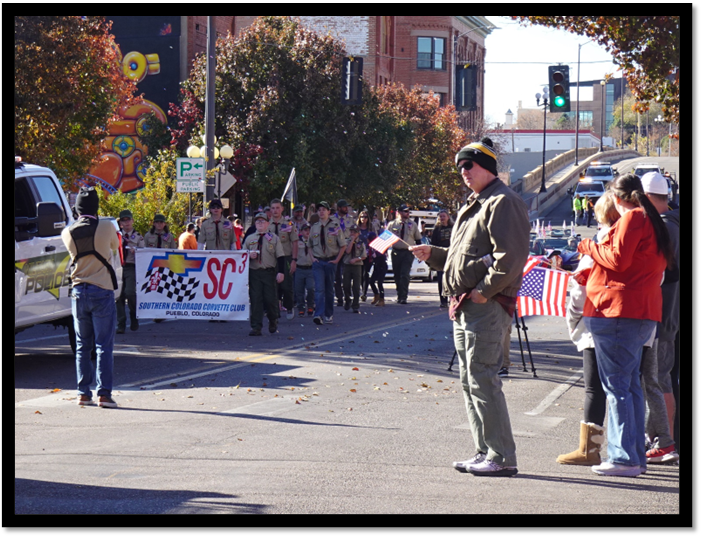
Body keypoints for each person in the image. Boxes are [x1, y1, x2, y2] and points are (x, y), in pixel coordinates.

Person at [411, 137, 530, 477]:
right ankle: (485, 450)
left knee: (482, 379)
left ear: (487, 167)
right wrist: (433, 255)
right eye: (460, 166)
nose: (463, 171)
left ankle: (501, 456)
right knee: (470, 381)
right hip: (466, 305)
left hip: (484, 306)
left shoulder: (503, 202)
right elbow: (464, 259)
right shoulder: (477, 203)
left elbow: (511, 258)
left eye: (469, 164)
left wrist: (483, 291)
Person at [577, 173, 673, 477]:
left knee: (618, 387)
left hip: (618, 311)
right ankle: (633, 456)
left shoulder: (633, 219)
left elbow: (617, 260)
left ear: (618, 199)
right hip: (641, 312)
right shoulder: (655, 222)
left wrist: (588, 246)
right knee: (630, 387)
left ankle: (623, 458)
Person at [558, 191, 620, 466]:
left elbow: (578, 289)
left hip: (598, 322)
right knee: (628, 389)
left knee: (595, 389)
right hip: (639, 322)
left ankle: (589, 449)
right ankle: (628, 447)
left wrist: (573, 322)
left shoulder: (599, 245)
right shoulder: (643, 240)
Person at [61, 187, 120, 408]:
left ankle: (83, 393)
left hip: (78, 291)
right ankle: (104, 394)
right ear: (96, 207)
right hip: (101, 290)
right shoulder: (106, 226)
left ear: (77, 209)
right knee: (104, 344)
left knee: (82, 345)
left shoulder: (67, 232)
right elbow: (115, 246)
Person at [641, 172, 680, 464]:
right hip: (669, 312)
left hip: (663, 313)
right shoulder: (674, 224)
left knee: (659, 379)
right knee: (661, 378)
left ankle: (664, 442)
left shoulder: (665, 229)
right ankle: (659, 438)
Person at [243, 212, 285, 336]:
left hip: (269, 272)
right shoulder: (250, 238)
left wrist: (281, 272)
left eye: (262, 221)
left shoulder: (274, 238)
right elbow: (241, 255)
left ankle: (273, 319)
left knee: (270, 299)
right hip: (254, 272)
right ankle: (256, 327)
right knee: (256, 300)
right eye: (257, 222)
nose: (260, 224)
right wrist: (248, 255)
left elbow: (281, 256)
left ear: (268, 223)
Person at [309, 201, 346, 325]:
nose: (321, 212)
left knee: (329, 290)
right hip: (318, 261)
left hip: (330, 261)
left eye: (324, 209)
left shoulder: (335, 226)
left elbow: (343, 246)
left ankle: (328, 314)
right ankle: (318, 314)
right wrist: (312, 258)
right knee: (319, 289)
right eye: (319, 210)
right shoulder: (314, 227)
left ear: (329, 212)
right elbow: (309, 245)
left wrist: (336, 260)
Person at [269, 198, 299, 320]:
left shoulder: (288, 224)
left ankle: (289, 306)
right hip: (271, 258)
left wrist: (294, 260)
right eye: (273, 208)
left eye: (277, 208)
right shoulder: (267, 224)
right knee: (273, 285)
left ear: (282, 209)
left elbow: (295, 242)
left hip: (286, 257)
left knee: (286, 286)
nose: (275, 210)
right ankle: (275, 310)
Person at [387, 204, 422, 304]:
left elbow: (418, 239)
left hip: (408, 252)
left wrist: (419, 252)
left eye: (408, 211)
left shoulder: (413, 224)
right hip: (396, 252)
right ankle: (399, 293)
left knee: (404, 274)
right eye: (405, 211)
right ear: (399, 212)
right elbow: (386, 238)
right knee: (397, 275)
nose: (407, 213)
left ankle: (403, 296)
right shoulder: (392, 224)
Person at [116, 209, 144, 333]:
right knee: (119, 295)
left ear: (132, 221)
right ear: (120, 223)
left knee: (130, 293)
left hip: (131, 266)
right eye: (124, 220)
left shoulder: (138, 237)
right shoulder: (116, 236)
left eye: (128, 220)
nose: (126, 223)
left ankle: (134, 315)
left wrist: (137, 251)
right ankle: (121, 323)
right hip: (118, 267)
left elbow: (144, 253)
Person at [334, 199, 356, 307]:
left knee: (346, 274)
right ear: (339, 208)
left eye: (347, 207)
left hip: (348, 248)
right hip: (336, 248)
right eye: (344, 207)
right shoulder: (332, 219)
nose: (346, 209)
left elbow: (355, 232)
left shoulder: (350, 219)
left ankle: (348, 296)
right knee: (337, 275)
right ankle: (339, 297)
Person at [430, 209, 453, 308]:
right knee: (441, 279)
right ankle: (443, 300)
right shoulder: (436, 229)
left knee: (452, 278)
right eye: (441, 216)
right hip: (440, 256)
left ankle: (452, 299)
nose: (442, 218)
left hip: (452, 254)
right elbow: (433, 244)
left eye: (444, 216)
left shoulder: (454, 227)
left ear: (448, 217)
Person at [342, 224, 367, 313]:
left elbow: (364, 256)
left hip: (357, 266)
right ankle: (347, 299)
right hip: (347, 265)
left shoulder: (361, 243)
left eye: (355, 232)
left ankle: (355, 305)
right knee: (346, 285)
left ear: (358, 233)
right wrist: (352, 241)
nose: (353, 234)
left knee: (356, 286)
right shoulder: (346, 241)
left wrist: (356, 259)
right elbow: (347, 251)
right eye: (351, 232)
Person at [294, 223, 316, 317]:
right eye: (305, 230)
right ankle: (301, 308)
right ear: (301, 231)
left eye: (309, 230)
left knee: (311, 288)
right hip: (299, 268)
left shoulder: (314, 241)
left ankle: (310, 305)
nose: (307, 232)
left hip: (310, 268)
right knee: (299, 290)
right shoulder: (297, 242)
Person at [367, 232, 388, 307]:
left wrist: (376, 255)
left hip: (382, 265)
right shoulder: (371, 247)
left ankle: (382, 299)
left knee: (380, 283)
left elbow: (382, 255)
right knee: (371, 281)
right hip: (376, 266)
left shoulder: (378, 246)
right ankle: (376, 295)